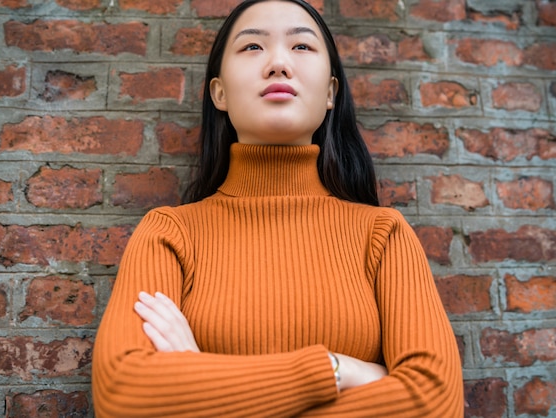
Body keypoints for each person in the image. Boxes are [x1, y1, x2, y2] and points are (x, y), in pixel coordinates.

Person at [91, 0, 464, 416]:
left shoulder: (382, 233)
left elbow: (435, 401)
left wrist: (201, 378)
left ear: (329, 93)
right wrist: (336, 370)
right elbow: (123, 395)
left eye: (302, 47)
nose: (278, 64)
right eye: (252, 47)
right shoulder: (170, 233)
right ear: (219, 93)